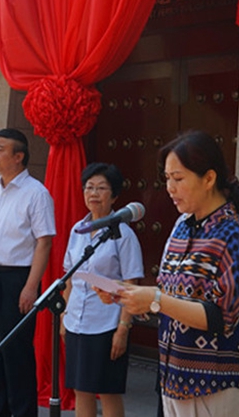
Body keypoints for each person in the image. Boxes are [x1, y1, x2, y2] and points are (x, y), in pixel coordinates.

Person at [100, 131, 239, 417]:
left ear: (209, 178)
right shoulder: (181, 226)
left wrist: (155, 299)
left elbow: (220, 317)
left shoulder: (234, 235)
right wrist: (125, 294)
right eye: (167, 179)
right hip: (172, 378)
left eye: (178, 179)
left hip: (215, 384)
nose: (170, 188)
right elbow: (170, 296)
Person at [0, 128, 55, 417]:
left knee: (15, 353)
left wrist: (32, 287)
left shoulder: (36, 193)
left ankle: (22, 412)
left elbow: (44, 241)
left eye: (1, 149)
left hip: (14, 280)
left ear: (19, 157)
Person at [61, 163, 143, 417]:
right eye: (89, 187)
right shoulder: (78, 230)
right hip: (76, 320)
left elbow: (132, 285)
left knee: (107, 390)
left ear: (115, 195)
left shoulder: (124, 235)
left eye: (101, 188)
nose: (94, 193)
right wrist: (64, 317)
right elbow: (69, 277)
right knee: (80, 389)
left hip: (106, 323)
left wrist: (123, 329)